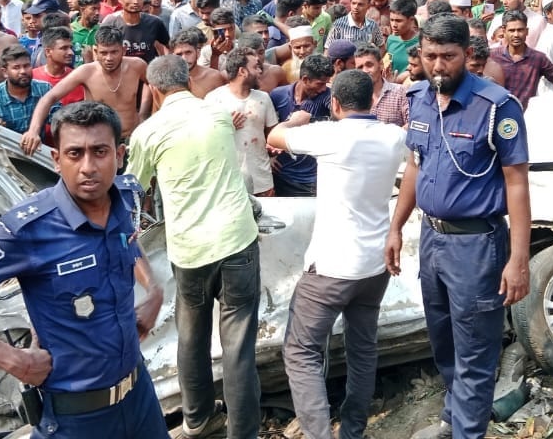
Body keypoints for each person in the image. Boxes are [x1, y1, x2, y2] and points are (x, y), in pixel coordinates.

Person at [0, 102, 167, 439]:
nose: (88, 167)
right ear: (56, 159)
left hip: (139, 398)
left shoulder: (124, 197)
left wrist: (153, 289)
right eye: (75, 154)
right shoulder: (29, 230)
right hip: (77, 419)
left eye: (100, 152)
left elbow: (129, 238)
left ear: (119, 155)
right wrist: (13, 361)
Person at [384, 15, 531, 439]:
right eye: (430, 56)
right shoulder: (420, 98)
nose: (438, 65)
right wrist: (397, 227)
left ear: (466, 54)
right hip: (432, 240)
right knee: (444, 340)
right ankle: (454, 419)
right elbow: (415, 166)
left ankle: (469, 432)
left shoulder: (496, 107)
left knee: (475, 351)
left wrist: (518, 259)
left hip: (476, 246)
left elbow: (517, 182)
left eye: (447, 56)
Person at [266, 70, 406, 439]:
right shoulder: (394, 136)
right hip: (375, 264)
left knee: (302, 352)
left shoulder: (329, 135)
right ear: (373, 100)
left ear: (336, 103)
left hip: (331, 266)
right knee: (362, 349)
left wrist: (297, 118)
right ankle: (353, 430)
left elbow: (274, 136)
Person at [126, 56, 260, 439]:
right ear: (188, 81)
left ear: (154, 90)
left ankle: (198, 419)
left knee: (191, 335)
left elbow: (133, 189)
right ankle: (243, 433)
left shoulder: (147, 133)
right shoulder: (218, 114)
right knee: (238, 345)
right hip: (237, 239)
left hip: (189, 249)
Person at [22, 27, 151, 149]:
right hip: (100, 141)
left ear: (123, 50)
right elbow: (49, 98)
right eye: (104, 53)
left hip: (132, 139)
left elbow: (153, 86)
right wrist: (33, 131)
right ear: (95, 51)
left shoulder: (137, 66)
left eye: (114, 52)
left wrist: (144, 113)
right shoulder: (86, 72)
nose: (109, 58)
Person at [206, 48, 278, 196]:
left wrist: (273, 155)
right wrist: (226, 127)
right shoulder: (214, 99)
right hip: (228, 182)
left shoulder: (263, 98)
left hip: (262, 180)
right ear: (242, 71)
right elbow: (205, 139)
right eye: (255, 67)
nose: (260, 71)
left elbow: (272, 134)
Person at [269, 55, 334, 196]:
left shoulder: (327, 97)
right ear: (305, 79)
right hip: (281, 175)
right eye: (320, 84)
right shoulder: (277, 95)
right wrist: (268, 157)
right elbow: (265, 128)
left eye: (326, 83)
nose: (324, 89)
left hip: (312, 179)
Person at [102, 0, 169, 64]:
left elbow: (169, 47)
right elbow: (100, 51)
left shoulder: (155, 23)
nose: (136, 2)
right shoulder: (110, 23)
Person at [353, 44, 408, 127]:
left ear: (381, 65)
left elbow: (411, 123)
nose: (365, 71)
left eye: (369, 65)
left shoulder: (401, 92)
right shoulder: (354, 97)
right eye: (360, 67)